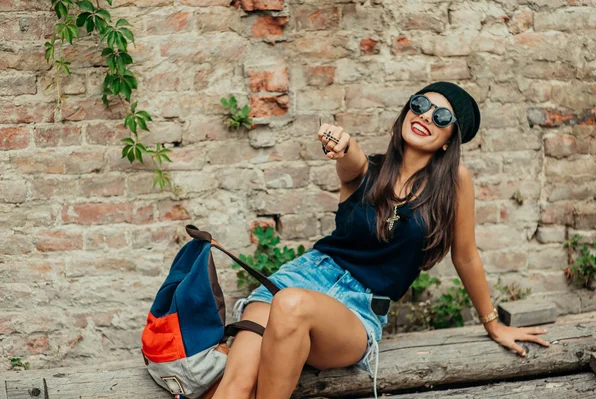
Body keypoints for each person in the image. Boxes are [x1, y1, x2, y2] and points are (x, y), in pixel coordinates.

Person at [212, 81, 551, 399]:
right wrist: (340, 142)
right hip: (303, 276)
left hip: (356, 309)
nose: (425, 116)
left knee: (290, 304)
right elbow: (350, 155)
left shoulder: (455, 183)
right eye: (419, 105)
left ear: (450, 139)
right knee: (236, 387)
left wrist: (493, 325)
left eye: (441, 116)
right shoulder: (367, 170)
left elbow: (465, 257)